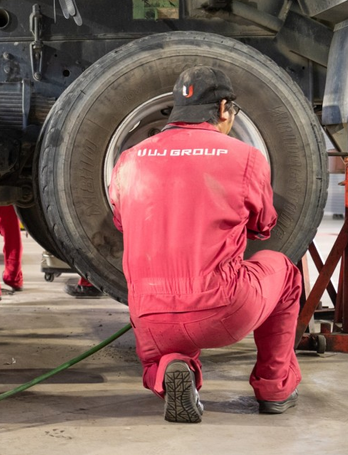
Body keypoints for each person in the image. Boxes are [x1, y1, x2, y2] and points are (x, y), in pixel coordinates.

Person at [109, 65, 301, 423]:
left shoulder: (128, 160)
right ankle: (275, 388)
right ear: (224, 108)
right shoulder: (245, 157)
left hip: (150, 316)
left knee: (158, 350)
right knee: (285, 272)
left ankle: (171, 369)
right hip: (223, 311)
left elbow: (123, 222)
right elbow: (264, 227)